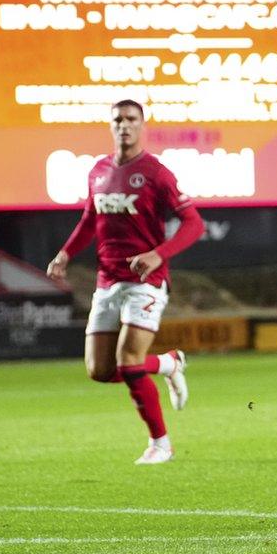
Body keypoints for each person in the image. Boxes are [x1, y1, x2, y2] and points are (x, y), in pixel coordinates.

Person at [47, 99, 205, 465]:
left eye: (131, 119)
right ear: (110, 125)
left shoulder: (156, 173)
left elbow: (195, 224)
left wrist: (158, 254)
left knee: (130, 363)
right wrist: (66, 253)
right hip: (107, 282)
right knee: (100, 371)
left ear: (142, 124)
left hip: (145, 282)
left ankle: (160, 444)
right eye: (117, 119)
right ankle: (167, 365)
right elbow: (90, 219)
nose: (124, 125)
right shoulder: (98, 170)